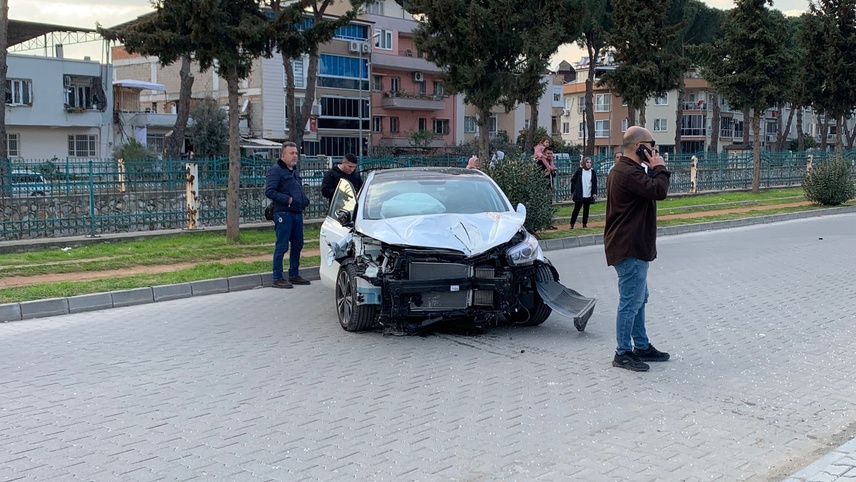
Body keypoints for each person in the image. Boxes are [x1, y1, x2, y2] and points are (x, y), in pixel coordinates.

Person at [604, 126, 671, 372]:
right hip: (628, 246)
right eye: (651, 145)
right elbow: (659, 191)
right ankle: (622, 353)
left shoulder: (628, 170)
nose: (654, 151)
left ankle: (641, 345)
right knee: (631, 301)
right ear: (639, 147)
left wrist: (653, 169)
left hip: (633, 245)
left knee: (639, 298)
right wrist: (659, 167)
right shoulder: (626, 173)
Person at [265, 142, 311, 289]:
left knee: (298, 244)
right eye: (292, 153)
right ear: (283, 155)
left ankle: (294, 274)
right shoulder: (276, 170)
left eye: (296, 153)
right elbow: (269, 191)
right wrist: (288, 199)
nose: (295, 156)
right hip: (283, 213)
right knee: (282, 246)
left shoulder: (295, 171)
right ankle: (277, 277)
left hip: (297, 212)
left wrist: (304, 200)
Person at [570, 156, 598, 229]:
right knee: (576, 209)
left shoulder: (592, 171)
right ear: (584, 163)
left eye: (590, 162)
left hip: (588, 194)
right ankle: (572, 224)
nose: (588, 164)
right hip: (580, 194)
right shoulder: (579, 171)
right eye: (587, 162)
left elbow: (594, 183)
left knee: (586, 210)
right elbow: (573, 180)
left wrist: (594, 192)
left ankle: (584, 224)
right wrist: (574, 190)